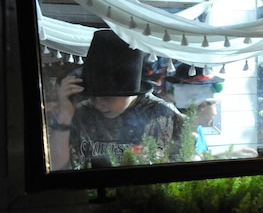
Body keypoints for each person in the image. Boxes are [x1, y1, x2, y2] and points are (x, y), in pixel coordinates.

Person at [48, 29, 187, 170]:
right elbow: (56, 167)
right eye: (92, 95)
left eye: (107, 97)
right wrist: (65, 115)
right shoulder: (82, 113)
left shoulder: (163, 114)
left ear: (130, 92)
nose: (98, 104)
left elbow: (192, 160)